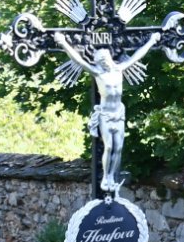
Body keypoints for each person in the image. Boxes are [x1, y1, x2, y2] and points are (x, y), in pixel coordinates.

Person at [53, 31, 161, 195]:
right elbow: (79, 60)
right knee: (109, 147)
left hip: (119, 114)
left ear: (109, 58)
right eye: (101, 61)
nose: (104, 63)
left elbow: (136, 56)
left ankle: (112, 177)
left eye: (105, 59)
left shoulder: (119, 69)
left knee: (118, 148)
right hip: (105, 114)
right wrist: (63, 43)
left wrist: (152, 41)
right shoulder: (98, 72)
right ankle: (106, 177)